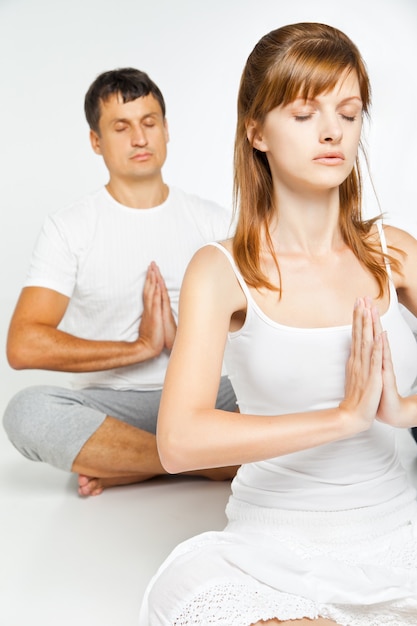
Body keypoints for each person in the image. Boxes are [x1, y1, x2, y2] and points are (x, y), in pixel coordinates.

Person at [139, 22, 417, 626]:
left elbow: (399, 408)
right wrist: (342, 419)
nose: (332, 132)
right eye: (304, 113)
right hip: (273, 545)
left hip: (399, 530)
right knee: (183, 594)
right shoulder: (222, 271)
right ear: (256, 130)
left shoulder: (394, 253)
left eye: (348, 112)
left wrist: (401, 410)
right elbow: (178, 441)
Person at [3, 67, 238, 497]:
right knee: (26, 412)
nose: (140, 138)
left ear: (166, 129)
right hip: (115, 405)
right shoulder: (69, 227)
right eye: (121, 127)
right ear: (96, 141)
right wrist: (139, 349)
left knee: (294, 397)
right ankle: (200, 463)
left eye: (149, 123)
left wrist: (184, 341)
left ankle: (129, 464)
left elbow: (259, 326)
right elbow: (23, 345)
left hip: (210, 398)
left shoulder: (214, 221)